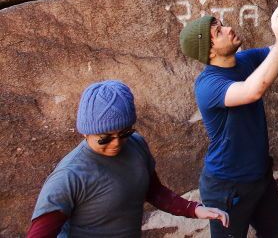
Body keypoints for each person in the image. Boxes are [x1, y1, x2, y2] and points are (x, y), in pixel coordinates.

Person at [27, 80, 228, 238]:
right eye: (104, 138)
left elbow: (154, 191)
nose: (116, 143)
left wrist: (195, 210)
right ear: (84, 133)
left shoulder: (136, 144)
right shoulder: (69, 176)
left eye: (124, 133)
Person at [179, 2, 278, 238]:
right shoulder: (208, 85)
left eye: (222, 25)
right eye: (218, 32)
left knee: (274, 233)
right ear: (209, 51)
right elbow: (253, 90)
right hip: (227, 186)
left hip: (260, 176)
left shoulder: (244, 60)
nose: (228, 28)